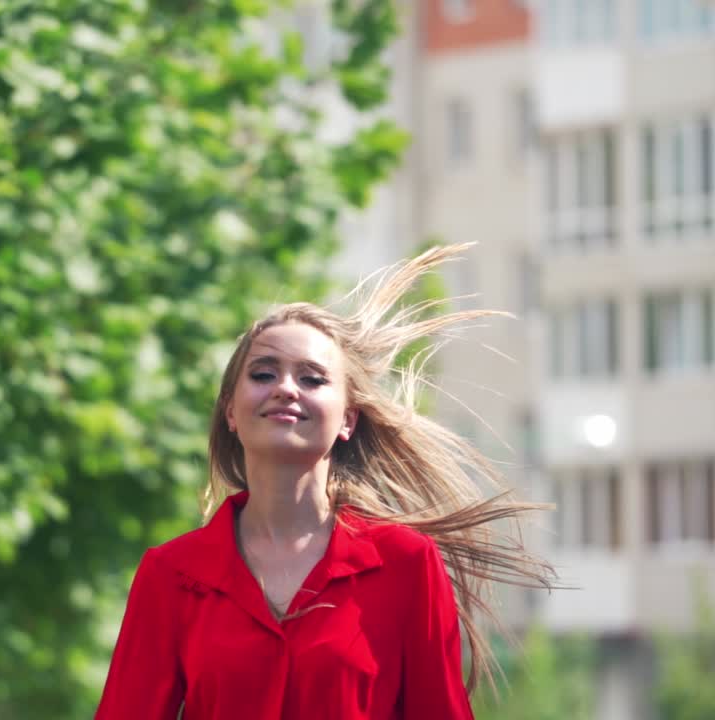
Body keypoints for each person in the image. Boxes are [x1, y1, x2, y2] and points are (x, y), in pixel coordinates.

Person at [95, 245, 554, 720]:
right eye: (264, 373)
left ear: (347, 420)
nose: (286, 388)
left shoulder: (407, 564)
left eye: (313, 378)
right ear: (230, 409)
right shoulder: (171, 574)